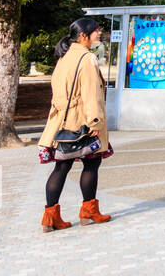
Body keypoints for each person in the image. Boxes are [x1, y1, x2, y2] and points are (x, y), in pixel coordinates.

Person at [39, 17, 114, 231]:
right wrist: (95, 121)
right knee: (91, 163)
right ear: (83, 35)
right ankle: (89, 211)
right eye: (95, 31)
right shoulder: (87, 58)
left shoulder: (63, 57)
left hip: (62, 121)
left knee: (62, 165)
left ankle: (49, 217)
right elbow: (91, 93)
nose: (98, 34)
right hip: (83, 121)